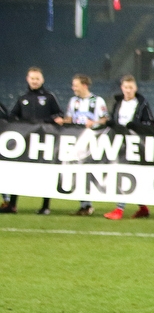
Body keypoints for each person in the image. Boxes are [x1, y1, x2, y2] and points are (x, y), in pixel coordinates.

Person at [2, 67, 63, 215]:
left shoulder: (49, 97)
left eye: (37, 79)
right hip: (26, 142)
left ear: (42, 80)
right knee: (18, 170)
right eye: (32, 78)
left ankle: (45, 206)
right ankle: (12, 204)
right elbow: (12, 116)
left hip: (44, 141)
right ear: (27, 79)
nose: (35, 81)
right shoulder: (23, 98)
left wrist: (48, 121)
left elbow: (59, 113)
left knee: (46, 172)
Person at [103, 75, 154, 220]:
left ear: (135, 88)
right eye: (126, 87)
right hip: (120, 143)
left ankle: (119, 210)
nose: (128, 90)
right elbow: (115, 120)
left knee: (125, 175)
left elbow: (150, 123)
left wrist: (136, 126)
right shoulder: (118, 102)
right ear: (122, 88)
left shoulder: (142, 103)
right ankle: (143, 208)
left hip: (135, 145)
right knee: (128, 176)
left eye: (131, 88)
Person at [64, 74, 108, 216]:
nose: (73, 88)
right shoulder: (73, 101)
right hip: (76, 142)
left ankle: (88, 204)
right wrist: (63, 121)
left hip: (92, 141)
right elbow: (69, 119)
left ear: (84, 85)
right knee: (76, 172)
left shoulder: (97, 101)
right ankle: (84, 204)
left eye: (75, 85)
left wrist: (94, 123)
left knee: (88, 171)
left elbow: (105, 119)